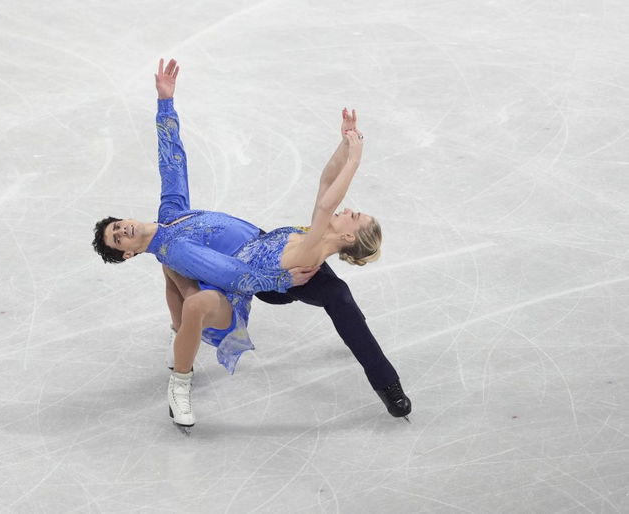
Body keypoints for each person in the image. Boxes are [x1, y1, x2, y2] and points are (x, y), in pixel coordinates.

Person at [92, 58, 411, 429]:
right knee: (176, 270)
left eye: (117, 225)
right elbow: (232, 271)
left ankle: (382, 377)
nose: (121, 230)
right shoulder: (173, 246)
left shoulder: (171, 211)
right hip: (271, 273)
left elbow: (172, 158)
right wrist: (278, 281)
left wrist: (165, 102)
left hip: (273, 251)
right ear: (127, 252)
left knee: (338, 298)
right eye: (117, 238)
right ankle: (180, 370)